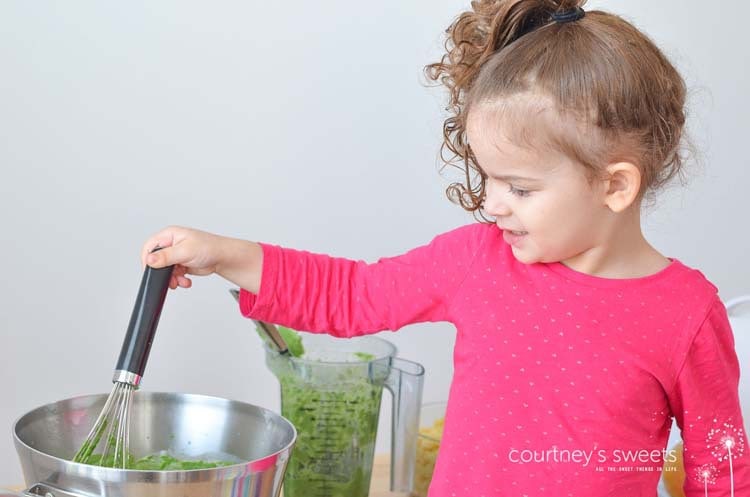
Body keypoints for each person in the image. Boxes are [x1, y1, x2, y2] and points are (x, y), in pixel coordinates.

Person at [140, 1, 749, 495]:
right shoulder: (478, 260)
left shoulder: (687, 315)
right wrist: (224, 254)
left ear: (615, 185)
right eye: (487, 177)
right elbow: (352, 295)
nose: (492, 203)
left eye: (520, 187)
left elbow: (719, 469)